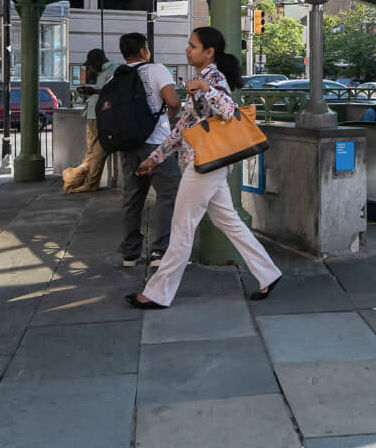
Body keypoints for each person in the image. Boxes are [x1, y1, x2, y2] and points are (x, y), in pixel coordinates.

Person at [127, 26, 282, 308]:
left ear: (209, 52)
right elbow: (184, 127)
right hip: (208, 163)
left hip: (204, 165)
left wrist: (207, 88)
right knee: (230, 223)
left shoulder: (212, 78)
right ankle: (268, 273)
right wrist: (156, 157)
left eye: (193, 46)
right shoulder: (199, 78)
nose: (187, 49)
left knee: (182, 227)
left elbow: (228, 111)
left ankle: (157, 293)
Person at [113, 32, 181, 270]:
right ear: (143, 51)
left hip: (128, 144)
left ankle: (130, 254)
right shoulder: (157, 69)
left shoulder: (118, 75)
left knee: (133, 198)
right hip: (157, 145)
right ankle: (159, 251)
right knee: (168, 194)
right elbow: (172, 102)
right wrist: (172, 112)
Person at [69, 47, 118, 191]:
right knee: (92, 151)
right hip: (92, 114)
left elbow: (114, 93)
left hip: (100, 116)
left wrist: (93, 91)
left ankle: (91, 183)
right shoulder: (103, 72)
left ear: (98, 61)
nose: (90, 69)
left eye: (90, 65)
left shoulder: (113, 70)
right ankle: (88, 181)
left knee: (97, 150)